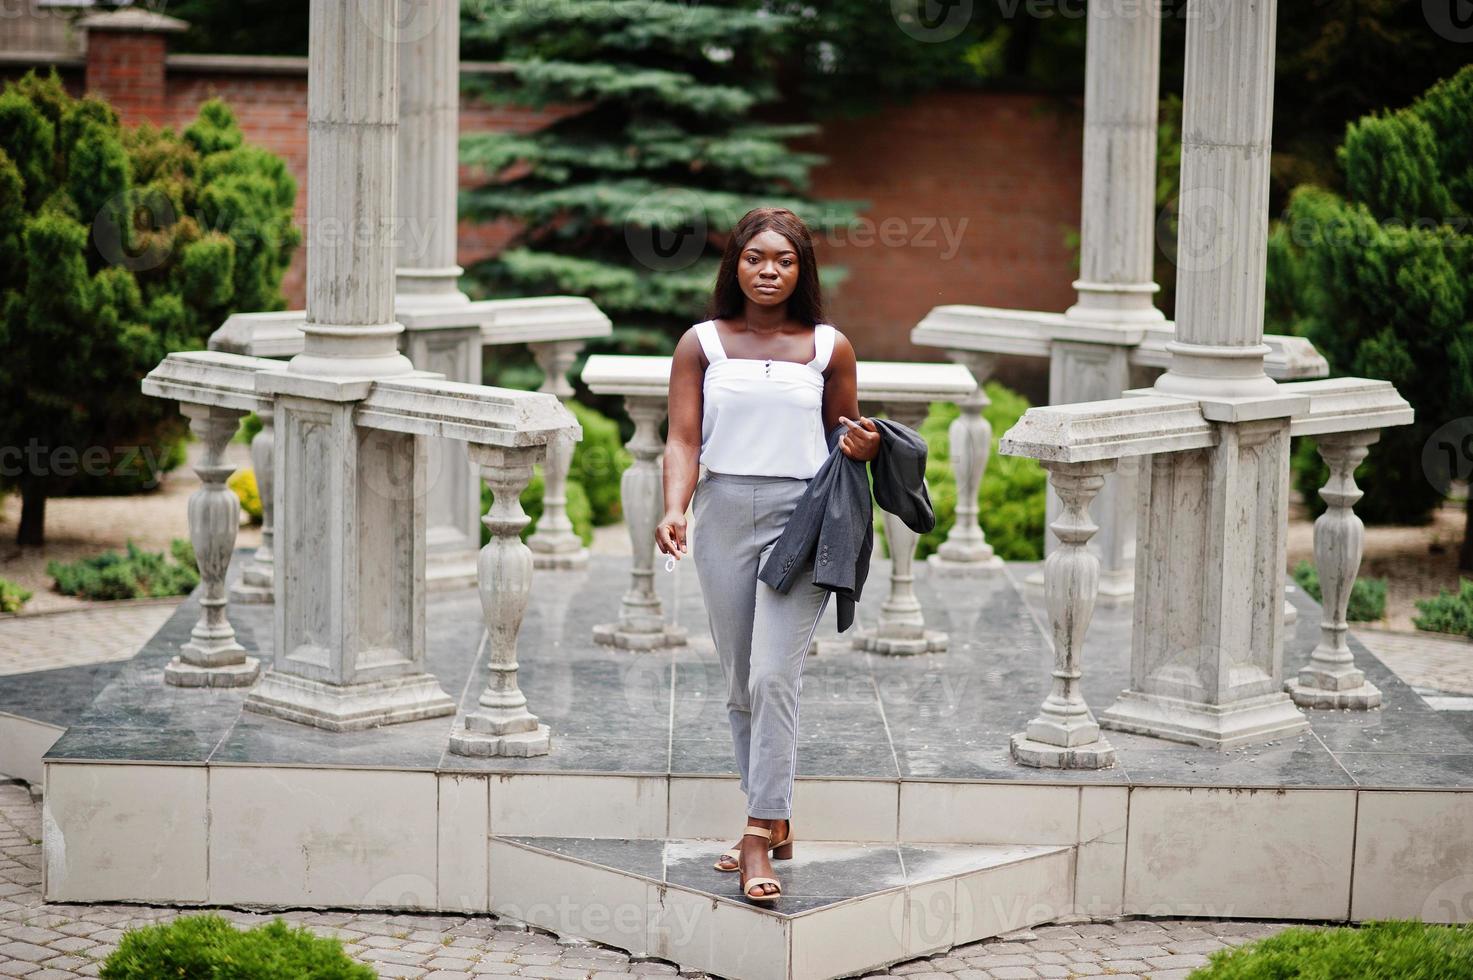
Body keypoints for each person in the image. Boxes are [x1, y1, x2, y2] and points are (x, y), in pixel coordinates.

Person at [654, 206, 880, 903]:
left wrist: (864, 446)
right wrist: (674, 505)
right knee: (740, 683)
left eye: (783, 259)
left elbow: (844, 436)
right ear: (736, 264)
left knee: (774, 675)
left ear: (800, 270)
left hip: (803, 519)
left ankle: (756, 833)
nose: (768, 270)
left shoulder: (827, 347)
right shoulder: (701, 344)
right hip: (723, 514)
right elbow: (683, 439)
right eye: (755, 257)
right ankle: (776, 818)